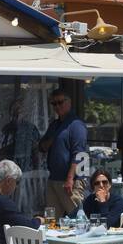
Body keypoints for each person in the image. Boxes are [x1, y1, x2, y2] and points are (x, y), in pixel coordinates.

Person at [38, 89, 87, 219]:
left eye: (60, 102)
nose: (57, 106)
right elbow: (42, 147)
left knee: (78, 218)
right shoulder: (55, 124)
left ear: (69, 102)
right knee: (51, 220)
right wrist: (53, 138)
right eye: (54, 104)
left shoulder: (76, 124)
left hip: (71, 180)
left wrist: (70, 179)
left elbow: (80, 154)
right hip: (54, 178)